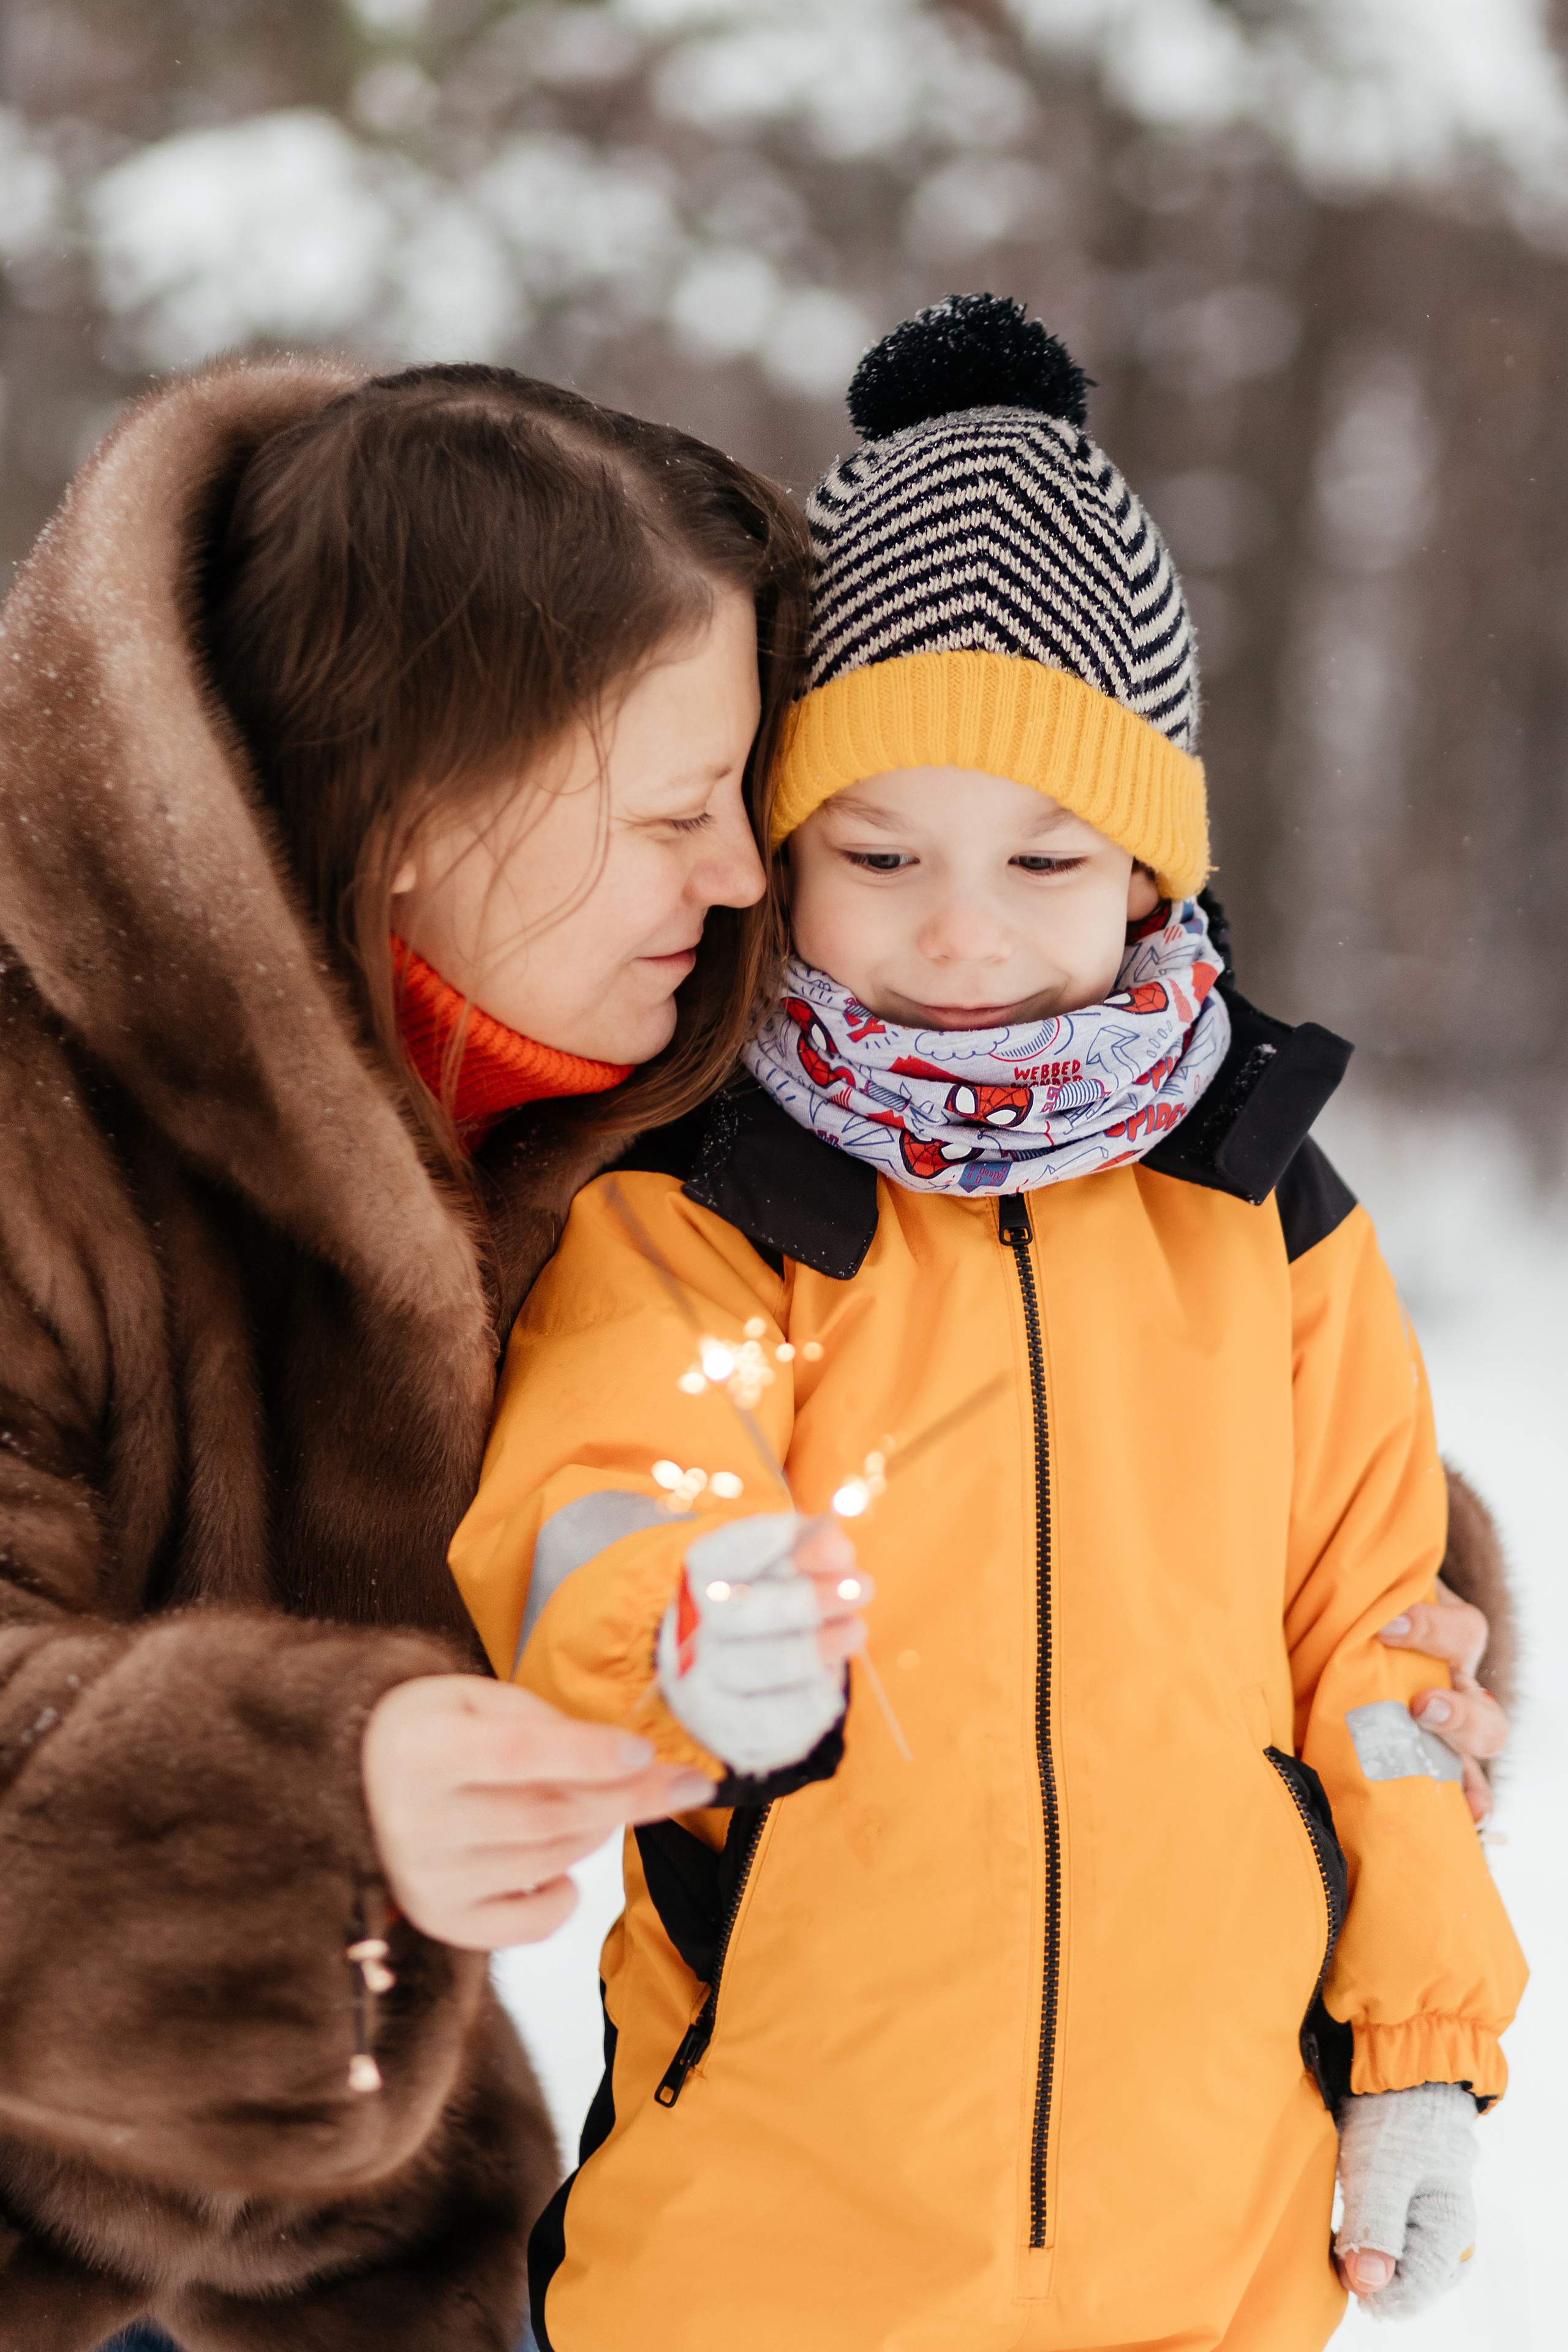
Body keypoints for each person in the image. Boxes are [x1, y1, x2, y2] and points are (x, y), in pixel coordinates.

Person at [448, 298, 1528, 2352]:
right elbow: (603, 1480)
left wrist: (1421, 2049)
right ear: (785, 856)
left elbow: (1383, 1654)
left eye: (1045, 855)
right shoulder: (716, 1201)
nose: (963, 926)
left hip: (1202, 2245)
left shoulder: (1267, 1216)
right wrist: (682, 1626)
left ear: (1150, 879)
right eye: (881, 851)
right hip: (763, 2246)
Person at [0, 356, 808, 2347]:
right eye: (675, 810)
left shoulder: (640, 1133)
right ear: (426, 802)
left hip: (370, 2230)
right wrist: (311, 1800)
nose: (740, 874)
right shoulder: (25, 1126)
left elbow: (1016, 1393)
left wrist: (1346, 1588)